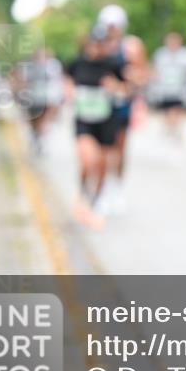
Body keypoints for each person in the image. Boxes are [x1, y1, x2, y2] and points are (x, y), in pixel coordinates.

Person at [65, 26, 128, 230]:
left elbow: (126, 90)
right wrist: (69, 91)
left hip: (106, 120)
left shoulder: (113, 64)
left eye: (102, 43)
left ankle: (96, 199)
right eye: (95, 42)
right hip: (84, 120)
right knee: (87, 159)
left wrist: (115, 87)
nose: (98, 47)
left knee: (101, 163)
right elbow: (66, 80)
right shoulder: (77, 63)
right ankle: (83, 191)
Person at [97, 4, 147, 214]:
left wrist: (127, 83)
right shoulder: (98, 46)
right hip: (101, 105)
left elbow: (141, 75)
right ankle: (103, 189)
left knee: (120, 148)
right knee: (104, 149)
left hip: (123, 105)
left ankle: (117, 188)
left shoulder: (132, 46)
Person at [152, 32, 186, 140]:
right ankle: (169, 128)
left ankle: (175, 129)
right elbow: (156, 70)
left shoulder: (185, 54)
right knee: (167, 110)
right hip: (165, 89)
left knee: (176, 108)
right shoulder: (161, 54)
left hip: (179, 89)